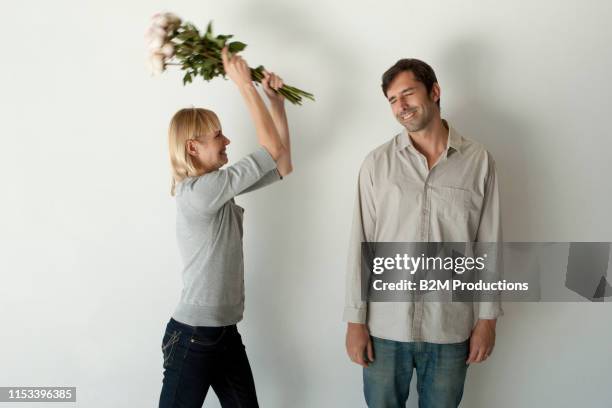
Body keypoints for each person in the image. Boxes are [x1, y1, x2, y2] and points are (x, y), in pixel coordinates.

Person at [343, 58, 503, 407]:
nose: (400, 106)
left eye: (408, 93)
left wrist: (487, 319)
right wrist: (355, 320)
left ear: (434, 91)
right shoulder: (376, 164)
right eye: (391, 99)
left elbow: (488, 244)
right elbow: (361, 245)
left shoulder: (478, 162)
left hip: (449, 328)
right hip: (385, 329)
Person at [159, 47, 292, 408]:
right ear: (193, 147)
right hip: (192, 338)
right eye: (218, 135)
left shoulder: (218, 187)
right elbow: (270, 148)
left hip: (223, 333)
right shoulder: (201, 191)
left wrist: (275, 103)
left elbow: (281, 164)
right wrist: (244, 86)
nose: (227, 141)